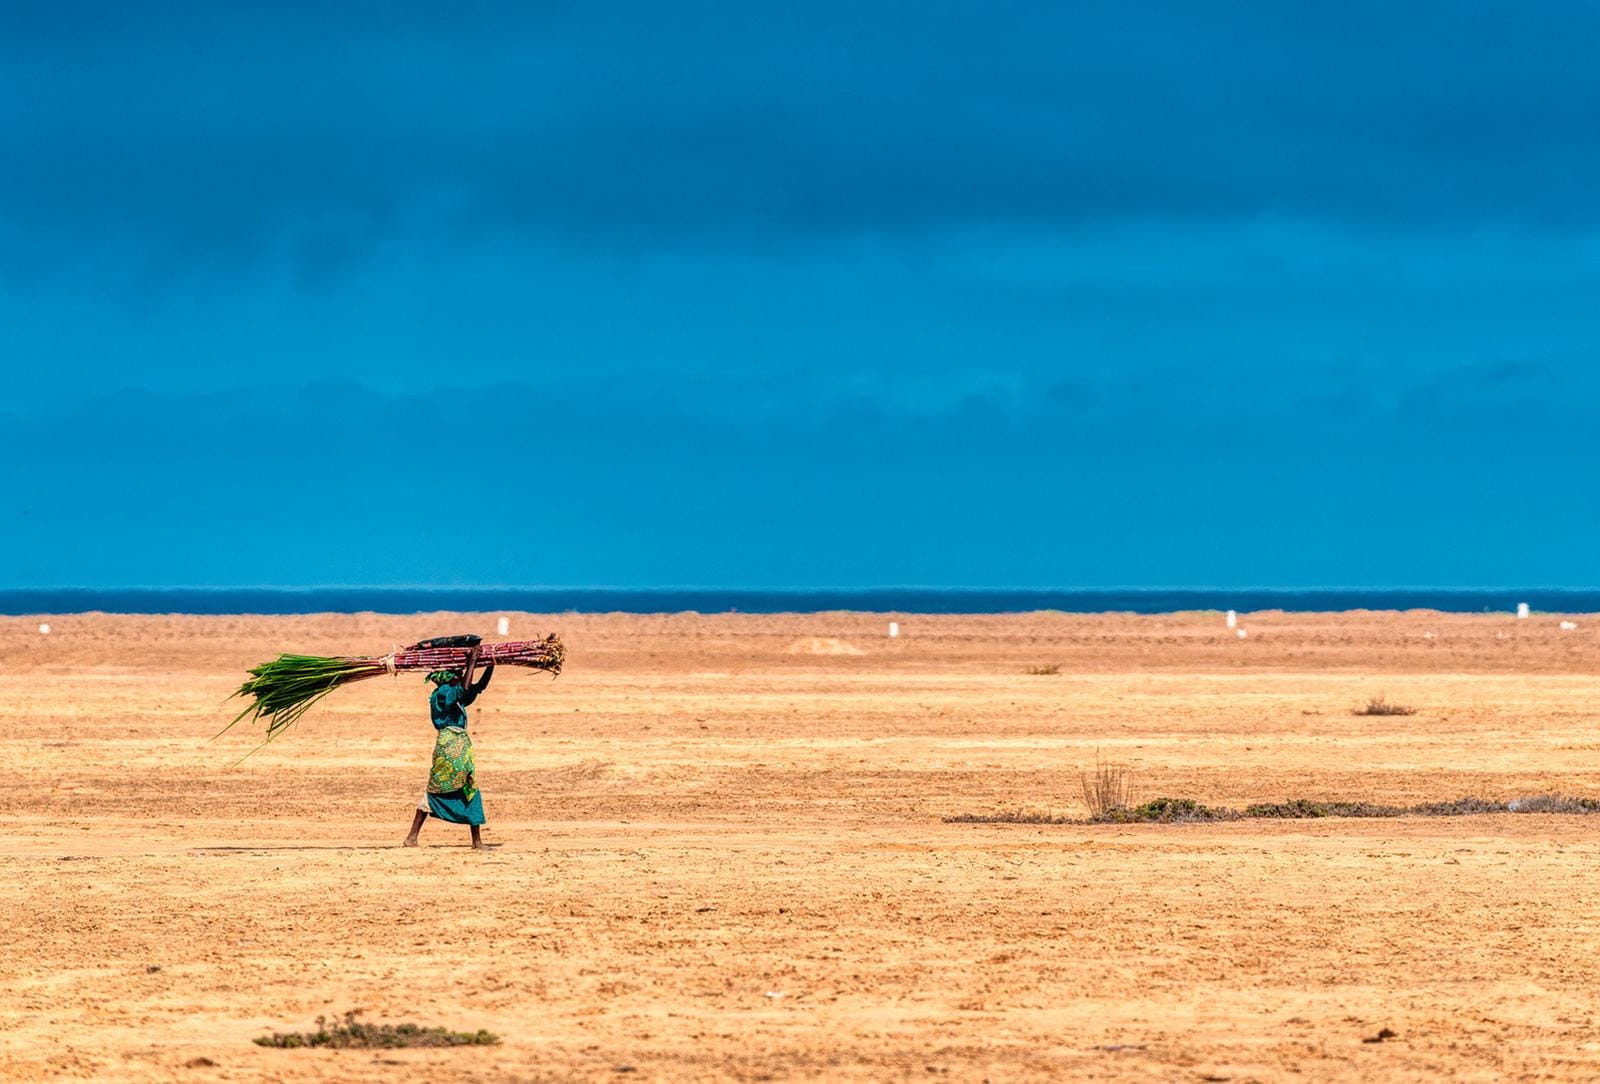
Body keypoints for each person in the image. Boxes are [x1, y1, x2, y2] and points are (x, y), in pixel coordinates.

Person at [403, 656, 494, 848]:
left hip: (458, 745)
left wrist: (491, 664)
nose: (461, 676)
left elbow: (478, 687)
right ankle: (475, 841)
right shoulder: (444, 692)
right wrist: (472, 662)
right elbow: (465, 689)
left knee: (467, 785)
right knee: (457, 785)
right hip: (450, 746)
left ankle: (475, 841)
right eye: (457, 675)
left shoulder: (454, 695)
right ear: (448, 679)